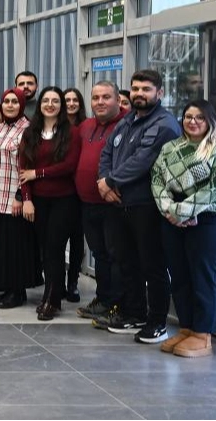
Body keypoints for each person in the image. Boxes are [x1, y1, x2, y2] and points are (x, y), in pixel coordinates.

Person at [98, 69, 181, 344]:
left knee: (152, 265)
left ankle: (157, 322)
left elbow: (143, 160)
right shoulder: (128, 120)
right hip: (120, 204)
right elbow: (107, 152)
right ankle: (134, 313)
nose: (139, 94)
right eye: (135, 88)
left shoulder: (164, 124)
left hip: (146, 206)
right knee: (127, 262)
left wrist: (110, 181)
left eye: (146, 89)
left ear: (160, 93)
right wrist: (103, 181)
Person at [152, 100, 216, 358]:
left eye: (199, 117)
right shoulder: (170, 148)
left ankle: (202, 335)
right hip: (174, 219)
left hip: (210, 220)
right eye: (188, 116)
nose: (193, 121)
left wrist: (183, 211)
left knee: (203, 277)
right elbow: (157, 179)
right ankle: (186, 328)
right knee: (180, 275)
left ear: (210, 121)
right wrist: (170, 209)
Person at [18, 87, 82, 321]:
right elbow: (23, 170)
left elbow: (69, 165)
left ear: (61, 106)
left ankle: (53, 300)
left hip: (64, 200)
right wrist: (27, 200)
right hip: (38, 200)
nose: (50, 104)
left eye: (55, 101)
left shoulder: (71, 132)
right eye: (46, 100)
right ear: (40, 105)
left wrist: (39, 173)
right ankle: (50, 294)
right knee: (45, 250)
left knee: (55, 248)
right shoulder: (30, 133)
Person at [74, 81, 126, 321]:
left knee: (117, 257)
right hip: (87, 202)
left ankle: (119, 305)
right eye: (95, 98)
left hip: (113, 204)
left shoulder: (127, 125)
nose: (100, 102)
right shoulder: (85, 126)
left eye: (106, 97)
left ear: (118, 99)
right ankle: (103, 300)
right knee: (100, 255)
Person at [0, 89, 39, 310]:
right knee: (2, 245)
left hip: (15, 197)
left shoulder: (28, 129)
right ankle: (7, 287)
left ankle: (17, 291)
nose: (9, 105)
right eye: (6, 101)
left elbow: (29, 165)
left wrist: (20, 195)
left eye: (14, 101)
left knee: (16, 246)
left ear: (22, 105)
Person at [62, 87, 88, 302]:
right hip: (60, 189)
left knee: (77, 238)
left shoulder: (86, 127)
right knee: (57, 239)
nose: (71, 103)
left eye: (74, 100)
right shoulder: (56, 127)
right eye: (67, 100)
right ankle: (57, 281)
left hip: (81, 190)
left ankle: (73, 282)